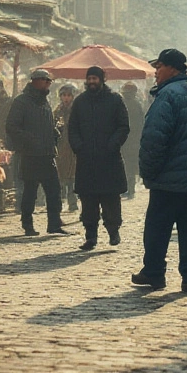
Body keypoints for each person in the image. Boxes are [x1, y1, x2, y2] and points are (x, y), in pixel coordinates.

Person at [131, 49, 187, 294]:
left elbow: (154, 139)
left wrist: (150, 172)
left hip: (168, 180)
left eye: (159, 67)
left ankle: (154, 272)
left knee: (158, 228)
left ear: (172, 69)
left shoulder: (167, 96)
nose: (155, 72)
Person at [68, 66, 130, 250]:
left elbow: (123, 126)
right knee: (88, 201)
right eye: (90, 79)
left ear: (102, 80)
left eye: (95, 78)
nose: (92, 82)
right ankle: (91, 236)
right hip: (86, 160)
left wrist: (113, 144)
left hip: (109, 158)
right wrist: (79, 146)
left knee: (111, 198)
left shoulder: (115, 100)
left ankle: (113, 231)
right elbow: (73, 129)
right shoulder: (80, 102)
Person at [6, 69, 68, 236]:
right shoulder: (22, 102)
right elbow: (12, 127)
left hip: (47, 154)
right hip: (30, 154)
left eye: (49, 81)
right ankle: (27, 224)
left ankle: (54, 224)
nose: (48, 84)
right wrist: (29, 139)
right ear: (36, 81)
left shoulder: (44, 102)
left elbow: (45, 124)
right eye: (45, 81)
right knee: (30, 192)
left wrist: (54, 132)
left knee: (54, 191)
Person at [55, 83, 79, 213]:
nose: (66, 98)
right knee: (61, 175)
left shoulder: (77, 110)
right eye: (64, 95)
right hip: (61, 147)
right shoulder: (58, 111)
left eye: (68, 95)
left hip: (73, 148)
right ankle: (60, 201)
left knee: (72, 176)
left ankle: (72, 201)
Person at [120, 82, 145, 199]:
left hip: (127, 139)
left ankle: (129, 188)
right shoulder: (136, 104)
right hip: (133, 139)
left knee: (127, 164)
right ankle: (130, 188)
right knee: (130, 165)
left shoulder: (122, 104)